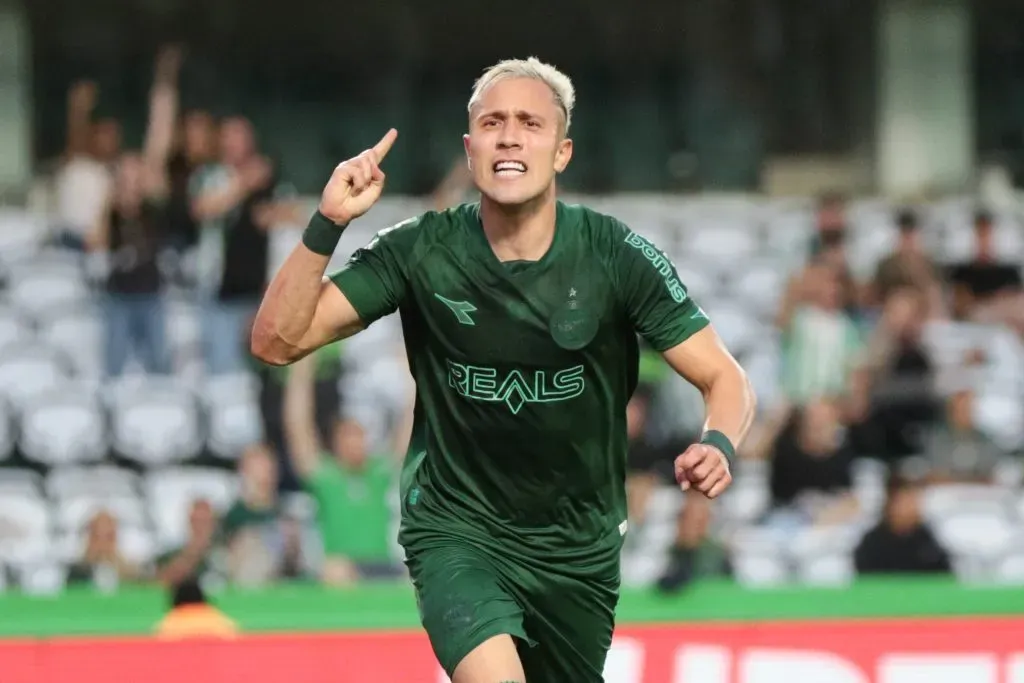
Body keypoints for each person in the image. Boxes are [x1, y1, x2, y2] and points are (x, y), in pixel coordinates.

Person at [251, 57, 755, 683]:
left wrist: (719, 441)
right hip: (456, 528)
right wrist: (329, 222)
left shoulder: (615, 256)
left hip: (578, 546)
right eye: (492, 122)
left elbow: (725, 378)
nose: (510, 136)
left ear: (562, 152)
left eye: (530, 123)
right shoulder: (421, 249)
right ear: (470, 150)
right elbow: (277, 341)